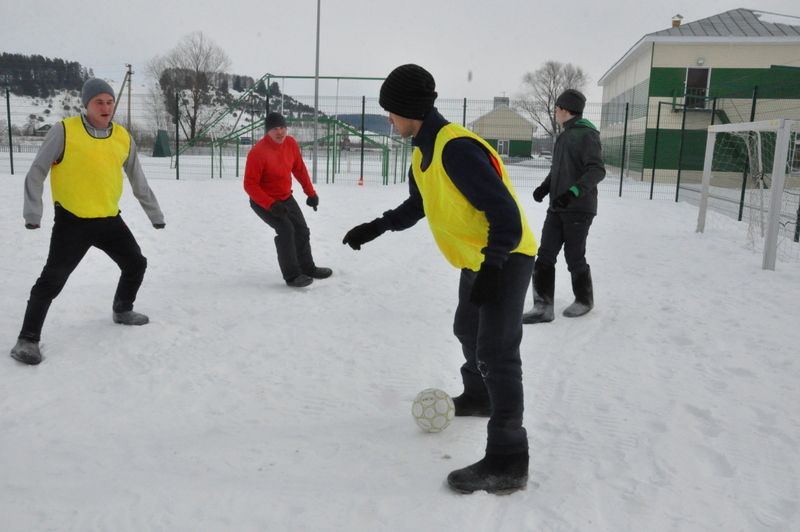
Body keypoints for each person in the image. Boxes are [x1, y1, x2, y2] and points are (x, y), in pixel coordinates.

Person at [342, 64, 537, 495]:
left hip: (505, 256)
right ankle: (480, 395)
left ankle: (508, 459)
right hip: (477, 258)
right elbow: (419, 204)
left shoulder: (457, 149)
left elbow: (504, 214)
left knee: (498, 353)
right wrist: (376, 226)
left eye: (390, 112)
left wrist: (492, 267)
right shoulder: (422, 151)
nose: (388, 119)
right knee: (466, 328)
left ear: (409, 109)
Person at [9, 78, 166, 366]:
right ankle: (27, 339)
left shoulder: (122, 136)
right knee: (52, 280)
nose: (106, 107)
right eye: (99, 102)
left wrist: (155, 214)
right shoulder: (64, 131)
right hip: (73, 222)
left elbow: (138, 180)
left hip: (108, 219)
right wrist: (33, 212)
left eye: (109, 101)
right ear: (87, 104)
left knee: (135, 263)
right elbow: (37, 171)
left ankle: (122, 309)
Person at [523, 89, 605, 324]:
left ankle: (584, 300)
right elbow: (558, 169)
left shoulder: (586, 135)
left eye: (556, 108)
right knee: (545, 254)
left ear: (565, 109)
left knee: (574, 256)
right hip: (557, 207)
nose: (555, 112)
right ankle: (542, 306)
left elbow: (596, 170)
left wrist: (573, 193)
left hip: (579, 208)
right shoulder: (565, 135)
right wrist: (544, 188)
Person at [244, 112, 331, 287]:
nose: (280, 132)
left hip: (285, 197)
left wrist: (311, 193)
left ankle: (308, 268)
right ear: (267, 131)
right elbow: (250, 185)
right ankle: (292, 276)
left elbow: (299, 169)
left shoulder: (290, 143)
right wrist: (270, 204)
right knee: (285, 230)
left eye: (283, 127)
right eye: (275, 128)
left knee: (302, 230)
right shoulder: (258, 153)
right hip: (263, 200)